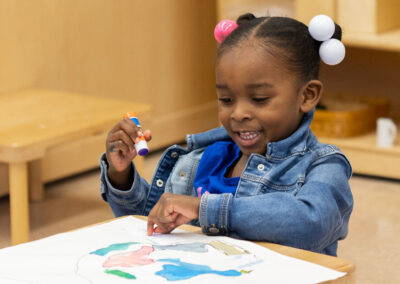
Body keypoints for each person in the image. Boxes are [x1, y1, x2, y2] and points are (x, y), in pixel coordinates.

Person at [99, 13, 353, 256]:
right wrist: (120, 174)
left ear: (307, 96)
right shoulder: (203, 159)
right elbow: (153, 223)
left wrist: (204, 208)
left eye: (259, 99)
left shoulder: (324, 164)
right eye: (226, 99)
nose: (238, 113)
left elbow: (313, 223)